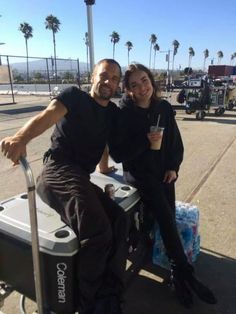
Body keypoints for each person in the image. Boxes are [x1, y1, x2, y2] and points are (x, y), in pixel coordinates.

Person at [0, 59, 127, 314]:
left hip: (80, 177)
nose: (108, 82)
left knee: (120, 220)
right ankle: (86, 304)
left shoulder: (111, 112)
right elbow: (47, 116)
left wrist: (103, 167)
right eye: (104, 75)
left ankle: (109, 290)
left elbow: (103, 142)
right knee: (98, 230)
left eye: (114, 78)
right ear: (93, 77)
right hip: (57, 171)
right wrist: (20, 138)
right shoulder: (75, 97)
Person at [109, 63, 217, 308]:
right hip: (139, 174)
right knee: (167, 219)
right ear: (128, 90)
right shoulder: (125, 113)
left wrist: (173, 167)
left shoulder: (164, 108)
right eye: (134, 85)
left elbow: (175, 142)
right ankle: (183, 272)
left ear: (151, 81)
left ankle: (174, 273)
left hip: (162, 173)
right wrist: (145, 142)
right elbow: (118, 153)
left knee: (164, 216)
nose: (142, 87)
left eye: (144, 80)